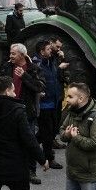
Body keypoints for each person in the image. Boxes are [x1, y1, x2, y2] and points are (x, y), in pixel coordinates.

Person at [0, 43, 46, 184]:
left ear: (22, 55)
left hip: (26, 112)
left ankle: (31, 171)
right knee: (8, 142)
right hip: (8, 111)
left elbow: (39, 87)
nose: (10, 56)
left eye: (13, 53)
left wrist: (24, 76)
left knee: (29, 142)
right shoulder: (7, 67)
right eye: (10, 53)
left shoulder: (33, 69)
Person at [34, 39, 68, 169]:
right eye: (48, 49)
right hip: (44, 104)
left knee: (48, 131)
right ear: (42, 52)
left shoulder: (50, 61)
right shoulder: (37, 64)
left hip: (54, 101)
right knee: (47, 133)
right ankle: (49, 157)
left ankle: (29, 147)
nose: (51, 50)